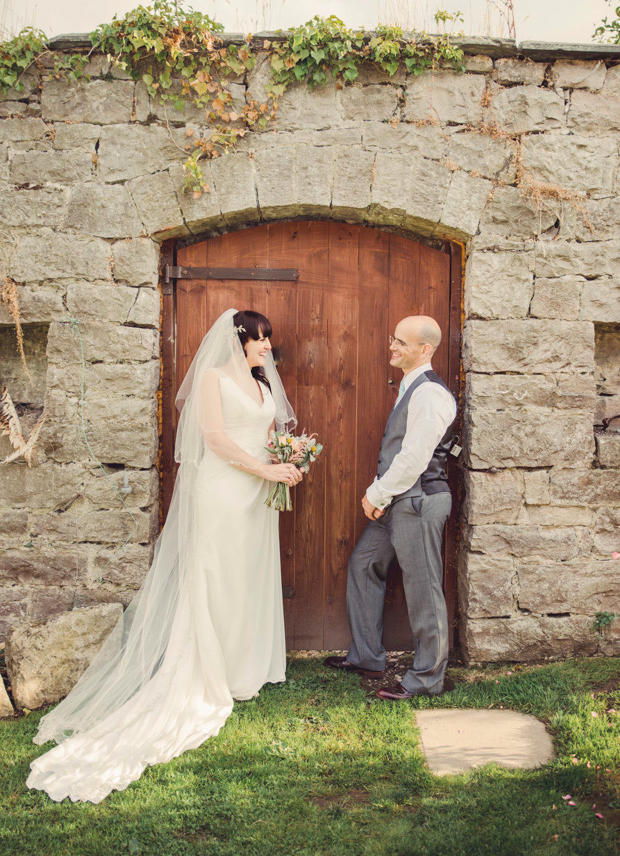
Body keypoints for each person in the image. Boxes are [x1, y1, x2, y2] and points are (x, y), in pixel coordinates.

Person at [27, 309, 302, 803]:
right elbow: (215, 440)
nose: (267, 347)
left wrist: (285, 458)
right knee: (218, 577)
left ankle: (248, 668)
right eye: (262, 340)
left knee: (248, 579)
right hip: (224, 492)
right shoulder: (214, 380)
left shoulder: (263, 385)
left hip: (258, 499)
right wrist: (265, 470)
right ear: (241, 339)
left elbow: (265, 433)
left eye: (268, 341)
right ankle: (212, 671)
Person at [325, 315, 457, 699]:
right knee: (365, 563)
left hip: (417, 500)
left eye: (401, 342)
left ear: (425, 349)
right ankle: (368, 656)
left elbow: (414, 457)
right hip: (399, 497)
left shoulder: (430, 394)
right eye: (392, 338)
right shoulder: (410, 386)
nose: (393, 347)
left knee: (423, 589)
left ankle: (427, 679)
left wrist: (376, 494)